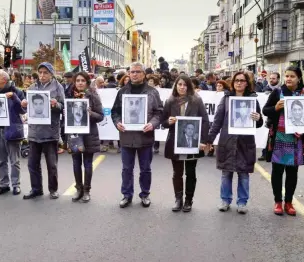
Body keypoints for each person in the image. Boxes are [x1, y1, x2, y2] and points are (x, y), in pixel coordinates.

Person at [263, 66, 304, 216]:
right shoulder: (277, 92)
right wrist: (275, 107)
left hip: (296, 140)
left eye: (292, 76)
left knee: (292, 172)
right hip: (279, 138)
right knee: (277, 171)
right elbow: (265, 110)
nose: (288, 79)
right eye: (286, 76)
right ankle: (278, 201)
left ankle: (288, 202)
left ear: (299, 78)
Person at [207, 72, 263, 214]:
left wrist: (258, 118)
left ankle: (242, 202)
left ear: (246, 83)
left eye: (242, 81)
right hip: (227, 142)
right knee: (226, 173)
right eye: (236, 80)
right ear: (232, 83)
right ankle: (225, 200)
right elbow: (217, 122)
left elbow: (258, 123)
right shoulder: (226, 99)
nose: (239, 83)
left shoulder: (252, 100)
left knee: (243, 174)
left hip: (245, 143)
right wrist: (208, 140)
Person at [111, 62, 163, 208]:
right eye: (132, 72)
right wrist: (118, 123)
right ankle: (126, 195)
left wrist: (152, 124)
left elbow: (159, 112)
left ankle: (145, 194)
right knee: (127, 169)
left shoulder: (152, 92)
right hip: (127, 137)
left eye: (138, 72)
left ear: (144, 74)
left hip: (145, 137)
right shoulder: (122, 92)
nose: (134, 74)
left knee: (145, 169)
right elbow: (115, 112)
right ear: (129, 74)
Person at [162, 75, 209, 212]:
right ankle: (178, 200)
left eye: (185, 85)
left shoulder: (196, 101)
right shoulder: (170, 101)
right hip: (175, 142)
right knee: (177, 172)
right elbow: (163, 121)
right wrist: (168, 122)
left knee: (190, 172)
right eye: (180, 84)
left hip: (192, 143)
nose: (182, 87)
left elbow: (205, 121)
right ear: (176, 85)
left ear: (189, 87)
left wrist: (202, 141)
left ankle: (188, 200)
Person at [21, 62, 65, 200]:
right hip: (34, 132)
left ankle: (53, 189)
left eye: (45, 72)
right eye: (40, 72)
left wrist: (55, 104)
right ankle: (36, 189)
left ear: (51, 74)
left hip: (50, 132)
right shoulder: (33, 87)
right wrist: (24, 104)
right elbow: (27, 108)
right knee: (32, 164)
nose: (42, 75)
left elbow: (63, 106)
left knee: (51, 165)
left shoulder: (58, 87)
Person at [65, 71, 104, 202]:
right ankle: (79, 189)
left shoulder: (93, 95)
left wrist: (90, 113)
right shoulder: (69, 94)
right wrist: (65, 113)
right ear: (74, 82)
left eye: (82, 80)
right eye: (77, 81)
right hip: (74, 134)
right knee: (76, 163)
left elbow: (101, 116)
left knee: (87, 163)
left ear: (87, 82)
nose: (80, 83)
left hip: (89, 135)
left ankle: (87, 190)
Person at [0, 70, 26, 196]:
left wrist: (14, 97)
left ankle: (16, 185)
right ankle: (4, 185)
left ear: (4, 79)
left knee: (14, 160)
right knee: (1, 161)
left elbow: (23, 109)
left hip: (12, 130)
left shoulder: (17, 91)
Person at [258, 72, 281, 161]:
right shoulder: (264, 89)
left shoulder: (281, 90)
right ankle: (265, 153)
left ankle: (273, 153)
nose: (271, 80)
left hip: (275, 118)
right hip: (266, 116)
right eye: (270, 78)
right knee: (265, 135)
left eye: (273, 78)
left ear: (278, 79)